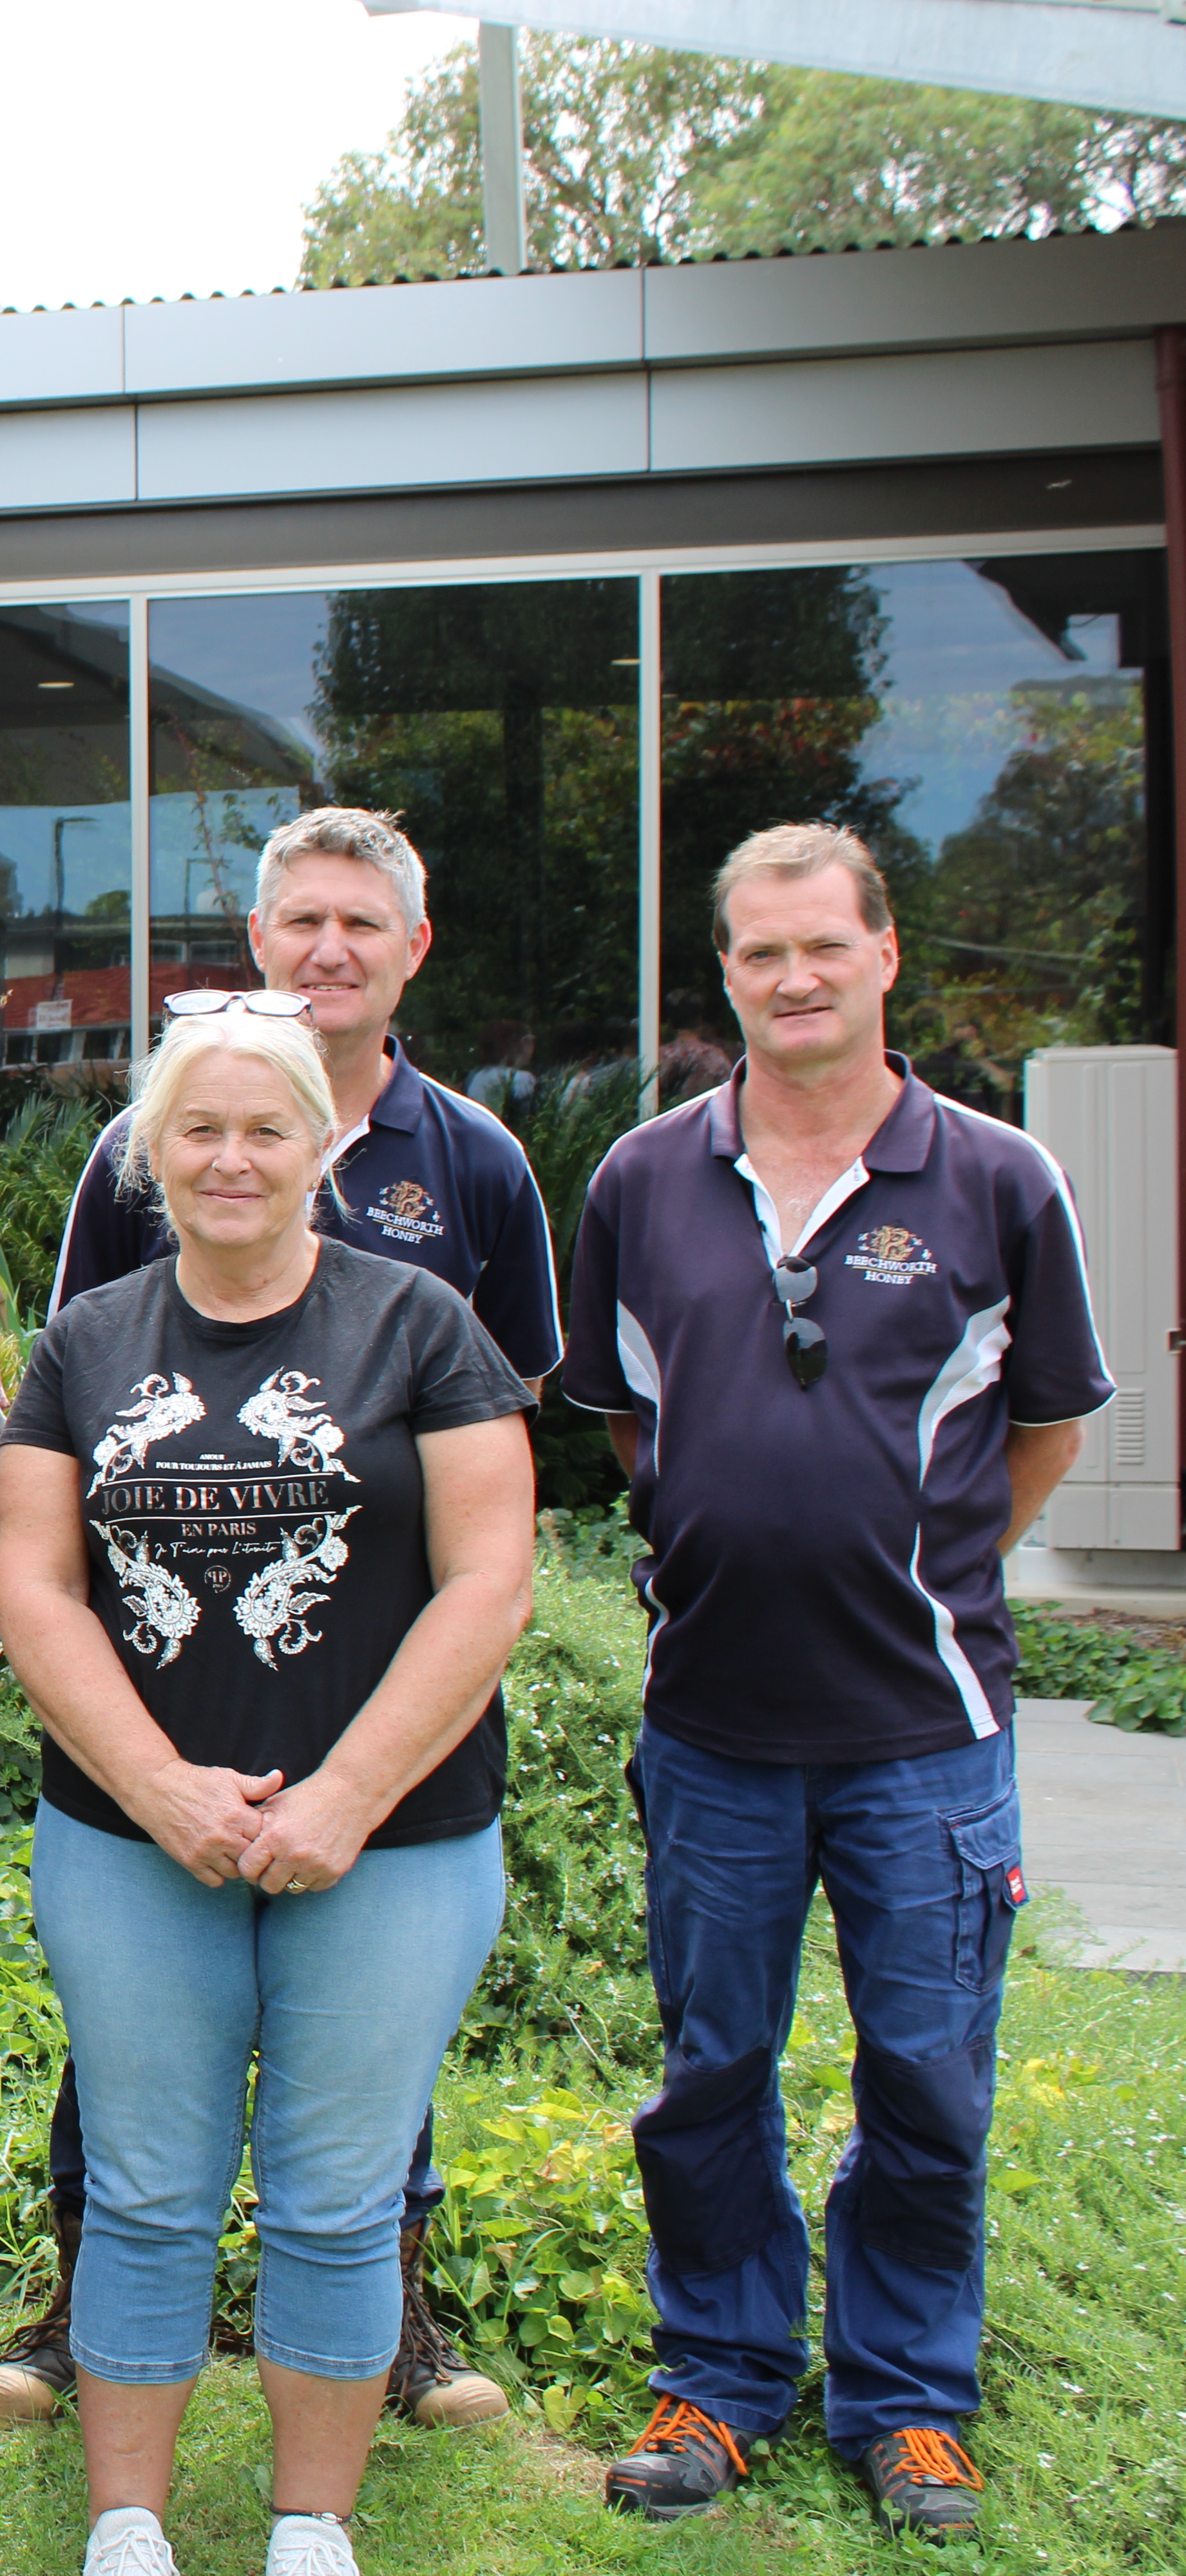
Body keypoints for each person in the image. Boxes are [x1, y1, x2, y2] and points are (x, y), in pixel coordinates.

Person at [0, 806, 556, 2434]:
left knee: (349, 2153)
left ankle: (389, 2337)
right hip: (143, 1787)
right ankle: (94, 2320)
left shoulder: (465, 1201)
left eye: (360, 922)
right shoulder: (108, 1288)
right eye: (301, 918)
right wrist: (154, 1778)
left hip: (377, 1785)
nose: (329, 946)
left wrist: (355, 1786)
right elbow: (52, 1522)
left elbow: (485, 1526)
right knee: (145, 2135)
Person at [566, 826, 1107, 2544]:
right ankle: (717, 2380)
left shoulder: (998, 1178)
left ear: (884, 955)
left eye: (822, 946)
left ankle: (907, 2401)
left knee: (928, 2073)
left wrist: (907, 1573)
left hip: (923, 1740)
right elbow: (631, 1425)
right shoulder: (642, 1180)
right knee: (712, 2064)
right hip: (711, 1729)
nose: (792, 979)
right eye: (757, 955)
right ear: (723, 978)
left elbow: (1048, 1430)